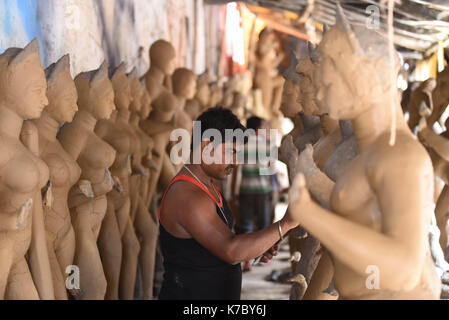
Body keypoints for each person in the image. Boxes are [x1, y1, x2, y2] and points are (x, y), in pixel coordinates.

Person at [158, 107, 299, 300]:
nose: (235, 161)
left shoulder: (208, 185)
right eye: (231, 152)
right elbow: (230, 250)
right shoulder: (188, 196)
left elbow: (217, 242)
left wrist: (257, 245)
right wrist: (286, 223)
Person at [232, 116, 276, 271]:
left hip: (245, 190)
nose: (268, 129)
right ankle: (263, 256)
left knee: (246, 224)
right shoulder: (268, 145)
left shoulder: (242, 145)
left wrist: (235, 191)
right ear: (258, 129)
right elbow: (270, 170)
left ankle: (247, 260)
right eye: (265, 127)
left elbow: (237, 170)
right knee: (264, 226)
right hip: (262, 191)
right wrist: (272, 188)